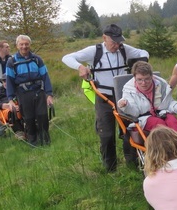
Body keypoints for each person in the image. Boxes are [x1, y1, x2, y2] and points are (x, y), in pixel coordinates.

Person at [62, 24, 149, 171]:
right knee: (106, 135)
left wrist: (140, 61)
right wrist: (80, 67)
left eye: (119, 41)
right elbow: (67, 57)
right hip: (104, 98)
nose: (116, 45)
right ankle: (110, 168)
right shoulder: (94, 51)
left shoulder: (124, 49)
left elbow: (143, 52)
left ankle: (133, 165)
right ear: (104, 38)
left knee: (129, 130)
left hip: (124, 98)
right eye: (113, 41)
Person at [117, 61, 177, 144]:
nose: (143, 83)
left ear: (152, 76)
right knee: (159, 124)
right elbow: (135, 113)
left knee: (172, 120)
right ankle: (170, 150)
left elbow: (168, 103)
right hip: (142, 119)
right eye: (139, 80)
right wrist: (125, 106)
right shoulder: (129, 90)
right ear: (134, 77)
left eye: (147, 79)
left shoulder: (161, 84)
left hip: (161, 113)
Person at [6, 35, 54, 147]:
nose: (24, 47)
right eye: (21, 44)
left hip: (39, 92)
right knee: (29, 118)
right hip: (23, 94)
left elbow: (45, 77)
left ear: (30, 45)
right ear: (17, 46)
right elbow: (9, 81)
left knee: (43, 116)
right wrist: (10, 99)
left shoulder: (37, 59)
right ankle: (33, 142)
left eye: (26, 44)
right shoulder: (12, 62)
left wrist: (49, 94)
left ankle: (46, 141)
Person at [0, 73, 25, 140]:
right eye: (4, 81)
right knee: (11, 112)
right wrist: (2, 105)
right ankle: (19, 132)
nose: (6, 83)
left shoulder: (18, 89)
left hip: (19, 108)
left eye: (8, 81)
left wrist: (19, 105)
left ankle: (30, 131)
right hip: (4, 111)